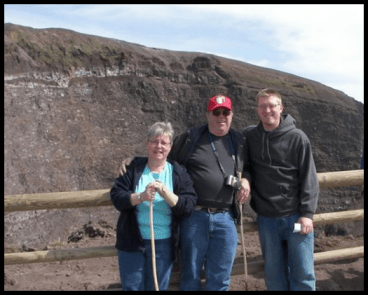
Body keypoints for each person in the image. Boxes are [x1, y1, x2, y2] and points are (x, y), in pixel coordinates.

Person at [118, 95, 250, 291]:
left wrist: (246, 179)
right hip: (194, 217)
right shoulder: (190, 138)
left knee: (221, 277)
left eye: (225, 112)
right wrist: (133, 160)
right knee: (190, 275)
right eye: (216, 112)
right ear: (208, 114)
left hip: (225, 217)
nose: (221, 116)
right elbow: (161, 154)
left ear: (231, 115)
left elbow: (250, 167)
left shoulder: (239, 141)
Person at [242, 88, 319, 291]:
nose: (267, 110)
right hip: (267, 219)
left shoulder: (298, 138)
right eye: (262, 106)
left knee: (303, 273)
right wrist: (245, 179)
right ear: (257, 109)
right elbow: (246, 166)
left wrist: (307, 214)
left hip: (295, 217)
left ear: (281, 108)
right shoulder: (250, 136)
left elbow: (309, 177)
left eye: (272, 105)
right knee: (274, 276)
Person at [110, 122, 197, 291]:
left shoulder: (178, 173)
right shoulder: (133, 169)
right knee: (132, 288)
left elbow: (188, 205)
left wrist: (167, 194)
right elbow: (117, 196)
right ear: (147, 144)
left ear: (170, 146)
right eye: (154, 141)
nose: (159, 146)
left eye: (164, 143)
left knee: (157, 288)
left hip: (163, 243)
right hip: (132, 242)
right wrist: (140, 197)